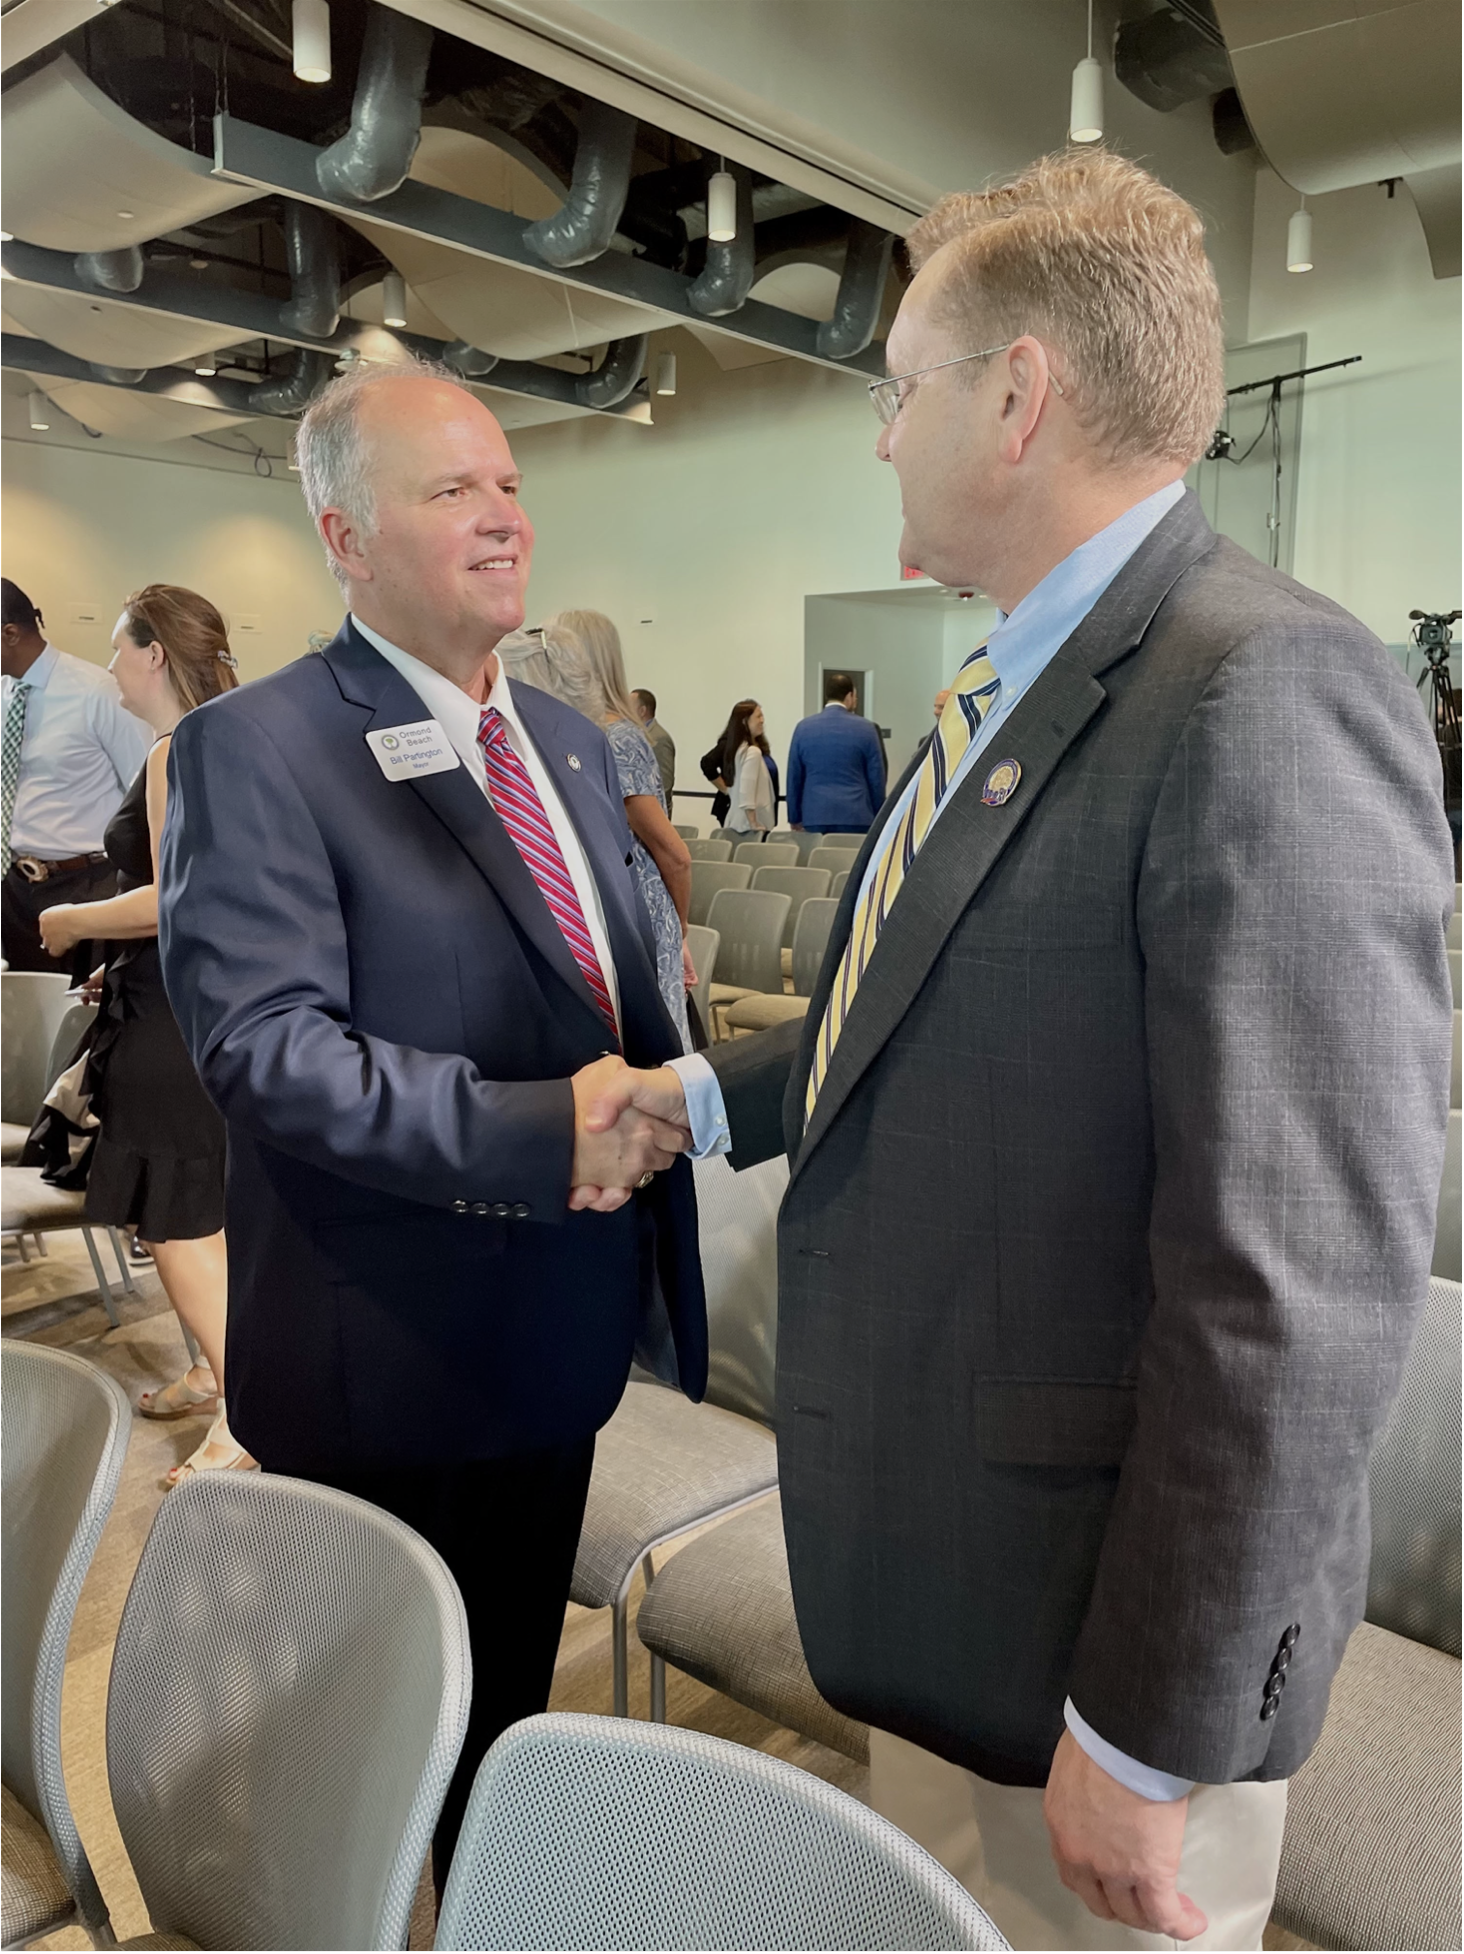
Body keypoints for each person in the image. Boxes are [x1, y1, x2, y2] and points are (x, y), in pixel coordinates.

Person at [581, 148, 1454, 1950]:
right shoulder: (1014, 680)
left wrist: (1149, 1722)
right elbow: (889, 1029)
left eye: (897, 388)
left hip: (1092, 1642)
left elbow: (1292, 1280)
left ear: (1014, 393)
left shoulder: (1256, 688)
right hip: (950, 1590)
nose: (881, 435)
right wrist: (686, 1091)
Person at [157, 355, 706, 1882]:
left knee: (504, 1718)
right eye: (451, 489)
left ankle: (486, 1897)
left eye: (512, 483)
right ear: (343, 533)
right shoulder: (255, 748)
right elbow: (267, 1049)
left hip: (562, 1321)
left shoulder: (574, 744)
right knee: (375, 1750)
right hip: (383, 1350)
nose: (502, 518)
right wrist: (541, 1132)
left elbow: (609, 997)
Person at [37, 587, 248, 1484]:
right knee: (181, 1214)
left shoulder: (177, 749)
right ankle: (211, 1368)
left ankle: (245, 1411)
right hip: (176, 998)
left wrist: (69, 921)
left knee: (178, 1223)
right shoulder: (219, 741)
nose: (112, 665)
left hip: (176, 1018)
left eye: (121, 648)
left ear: (155, 654)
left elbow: (175, 899)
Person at [505, 615, 694, 1051]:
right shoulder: (556, 735)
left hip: (635, 902)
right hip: (599, 897)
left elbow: (671, 851)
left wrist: (680, 928)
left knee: (654, 1041)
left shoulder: (614, 736)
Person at [1, 578, 151, 977]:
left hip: (85, 885)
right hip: (15, 887)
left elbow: (144, 790)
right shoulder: (5, 694)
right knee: (26, 1019)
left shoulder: (96, 693)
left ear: (10, 634)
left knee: (81, 1019)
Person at [786, 670, 885, 834]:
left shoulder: (803, 728)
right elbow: (876, 778)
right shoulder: (867, 729)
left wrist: (794, 816)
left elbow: (794, 776)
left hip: (814, 814)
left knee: (818, 859)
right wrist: (879, 815)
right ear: (849, 696)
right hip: (857, 815)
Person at [722, 700, 775, 836]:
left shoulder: (737, 749)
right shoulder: (753, 752)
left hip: (735, 822)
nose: (762, 720)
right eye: (758, 716)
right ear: (745, 721)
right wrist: (753, 822)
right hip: (749, 827)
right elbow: (747, 790)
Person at [631, 687, 676, 810]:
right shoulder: (634, 735)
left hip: (653, 816)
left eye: (629, 707)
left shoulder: (659, 738)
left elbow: (664, 784)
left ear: (642, 711)